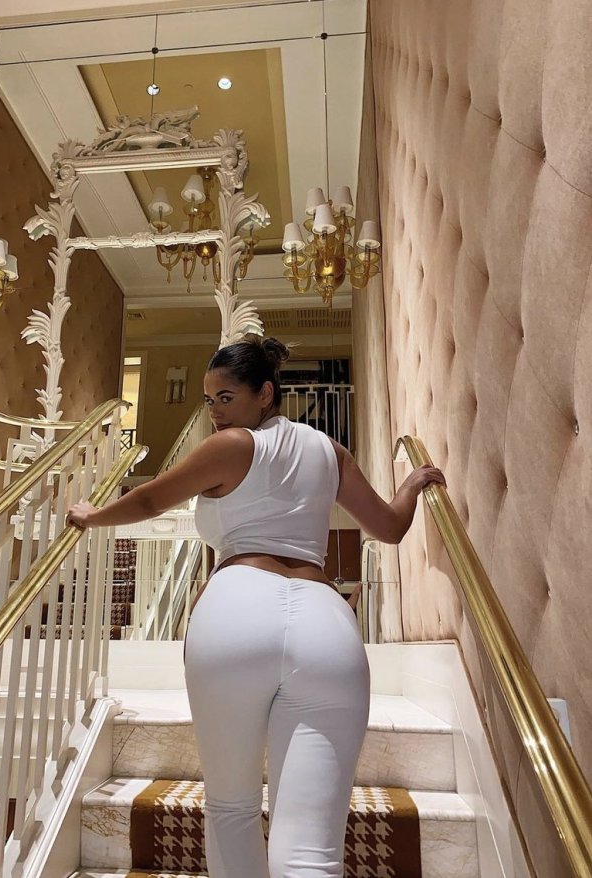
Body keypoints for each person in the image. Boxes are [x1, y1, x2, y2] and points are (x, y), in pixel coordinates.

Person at [67, 335, 445, 878]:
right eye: (209, 401)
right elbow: (389, 526)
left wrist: (91, 515)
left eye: (226, 398)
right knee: (312, 851)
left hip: (235, 614)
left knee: (231, 808)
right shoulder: (330, 451)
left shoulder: (229, 447)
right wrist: (410, 486)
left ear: (265, 393)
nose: (216, 412)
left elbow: (150, 499)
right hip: (326, 626)